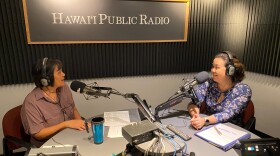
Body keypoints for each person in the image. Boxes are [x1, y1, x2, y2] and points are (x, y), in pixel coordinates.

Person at [21, 58, 86, 147]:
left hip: (71, 137)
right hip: (48, 145)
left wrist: (80, 124)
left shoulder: (64, 88)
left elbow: (73, 108)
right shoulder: (31, 103)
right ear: (45, 80)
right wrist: (66, 124)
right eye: (59, 72)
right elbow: (38, 134)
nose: (64, 74)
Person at [187, 51, 252, 130]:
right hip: (206, 127)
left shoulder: (243, 90)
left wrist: (204, 120)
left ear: (230, 71)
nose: (212, 70)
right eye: (212, 67)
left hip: (229, 130)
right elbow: (194, 103)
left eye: (216, 67)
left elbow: (227, 114)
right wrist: (195, 115)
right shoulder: (209, 83)